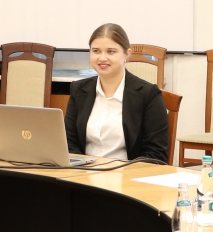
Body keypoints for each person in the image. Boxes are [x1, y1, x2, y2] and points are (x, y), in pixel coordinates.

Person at [63, 23, 169, 163]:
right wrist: (82, 167)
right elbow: (68, 142)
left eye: (111, 52)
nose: (102, 58)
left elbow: (156, 154)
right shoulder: (79, 89)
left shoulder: (148, 95)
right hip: (84, 171)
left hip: (127, 173)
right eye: (96, 51)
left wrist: (119, 171)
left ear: (127, 54)